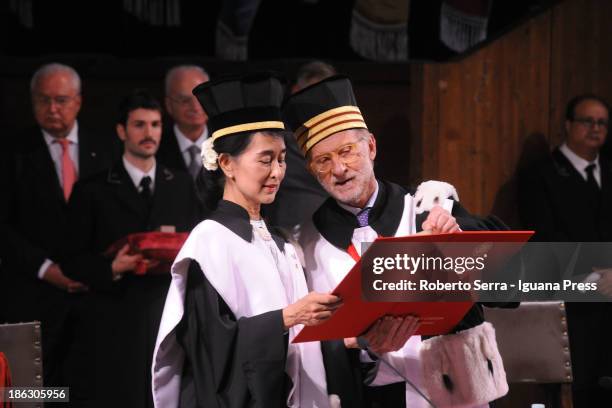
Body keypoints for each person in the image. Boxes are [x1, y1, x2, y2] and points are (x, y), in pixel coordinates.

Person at [283, 75, 509, 408]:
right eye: (323, 160)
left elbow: (513, 282)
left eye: (347, 152)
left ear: (371, 146)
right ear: (312, 170)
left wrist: (457, 243)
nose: (340, 169)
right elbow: (311, 349)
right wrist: (363, 346)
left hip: (456, 394)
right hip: (373, 398)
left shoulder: (429, 208)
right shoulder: (305, 245)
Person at [152, 73, 346, 408]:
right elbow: (209, 349)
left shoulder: (283, 243)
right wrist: (286, 318)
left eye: (283, 159)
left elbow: (304, 348)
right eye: (266, 159)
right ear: (226, 163)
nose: (277, 172)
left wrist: (350, 340)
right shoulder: (209, 243)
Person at [61, 90, 200, 407]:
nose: (149, 133)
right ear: (122, 131)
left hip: (167, 317)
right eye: (139, 125)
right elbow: (70, 258)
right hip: (113, 322)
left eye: (154, 124)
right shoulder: (92, 190)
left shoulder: (180, 184)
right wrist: (110, 268)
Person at [0, 63, 117, 398]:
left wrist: (97, 269)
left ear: (78, 101)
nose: (52, 108)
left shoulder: (106, 148)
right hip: (31, 293)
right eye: (43, 100)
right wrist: (45, 269)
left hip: (93, 298)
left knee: (86, 388)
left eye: (61, 100)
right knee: (29, 392)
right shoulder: (12, 152)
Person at [518, 94, 612, 407]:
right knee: (576, 390)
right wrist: (593, 274)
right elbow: (543, 237)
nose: (595, 129)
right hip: (570, 302)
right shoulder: (541, 174)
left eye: (601, 123)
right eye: (588, 121)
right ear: (569, 125)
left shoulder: (609, 170)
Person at [264, 61, 333, 228]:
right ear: (296, 92)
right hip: (290, 230)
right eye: (315, 94)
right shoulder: (276, 135)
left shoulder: (339, 136)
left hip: (335, 228)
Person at [157, 65, 210, 180]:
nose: (196, 107)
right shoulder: (154, 148)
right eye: (185, 100)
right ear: (169, 105)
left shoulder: (229, 146)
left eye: (201, 97)